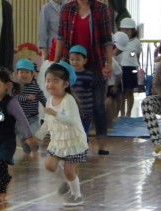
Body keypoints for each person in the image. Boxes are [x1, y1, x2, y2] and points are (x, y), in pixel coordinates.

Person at [54, 0, 113, 155]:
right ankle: (73, 140)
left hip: (95, 64)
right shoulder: (67, 8)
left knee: (98, 106)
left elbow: (107, 39)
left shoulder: (101, 8)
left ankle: (102, 144)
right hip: (71, 65)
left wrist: (109, 64)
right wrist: (55, 62)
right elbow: (60, 37)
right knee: (70, 105)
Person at [35, 62, 88, 207]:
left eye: (55, 81)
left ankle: (77, 196)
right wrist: (37, 137)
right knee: (49, 165)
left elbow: (70, 121)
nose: (50, 84)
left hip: (73, 142)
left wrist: (56, 113)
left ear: (65, 84)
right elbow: (47, 123)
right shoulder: (50, 101)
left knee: (69, 170)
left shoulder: (68, 100)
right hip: (58, 141)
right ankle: (66, 180)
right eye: (48, 80)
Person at [0, 67, 37, 203]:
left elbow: (22, 120)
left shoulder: (11, 103)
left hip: (5, 141)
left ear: (7, 86)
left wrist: (29, 137)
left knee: (2, 164)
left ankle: (1, 192)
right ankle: (5, 178)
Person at [14, 59, 46, 156]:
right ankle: (25, 146)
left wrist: (47, 106)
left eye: (27, 72)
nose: (24, 74)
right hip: (19, 118)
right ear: (17, 74)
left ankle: (33, 145)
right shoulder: (16, 87)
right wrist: (26, 98)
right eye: (21, 72)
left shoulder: (35, 87)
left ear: (32, 75)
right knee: (22, 134)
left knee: (33, 133)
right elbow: (14, 98)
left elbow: (42, 97)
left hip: (33, 116)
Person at [118, 18, 142, 118]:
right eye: (123, 29)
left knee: (129, 91)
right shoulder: (118, 40)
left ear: (133, 31)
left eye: (127, 30)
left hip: (131, 68)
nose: (125, 32)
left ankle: (129, 113)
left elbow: (135, 54)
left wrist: (130, 52)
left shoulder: (136, 42)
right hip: (120, 67)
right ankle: (122, 113)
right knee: (122, 92)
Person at [68, 45, 94, 136]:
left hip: (86, 110)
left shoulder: (89, 75)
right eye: (72, 59)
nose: (74, 62)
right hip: (72, 110)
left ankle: (83, 148)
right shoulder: (67, 76)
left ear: (85, 61)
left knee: (84, 132)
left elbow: (93, 92)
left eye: (78, 59)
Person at [105, 32, 125, 129]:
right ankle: (109, 119)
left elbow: (119, 74)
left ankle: (114, 118)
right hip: (105, 85)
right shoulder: (103, 60)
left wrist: (116, 86)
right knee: (107, 103)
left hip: (112, 85)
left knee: (112, 102)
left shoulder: (112, 62)